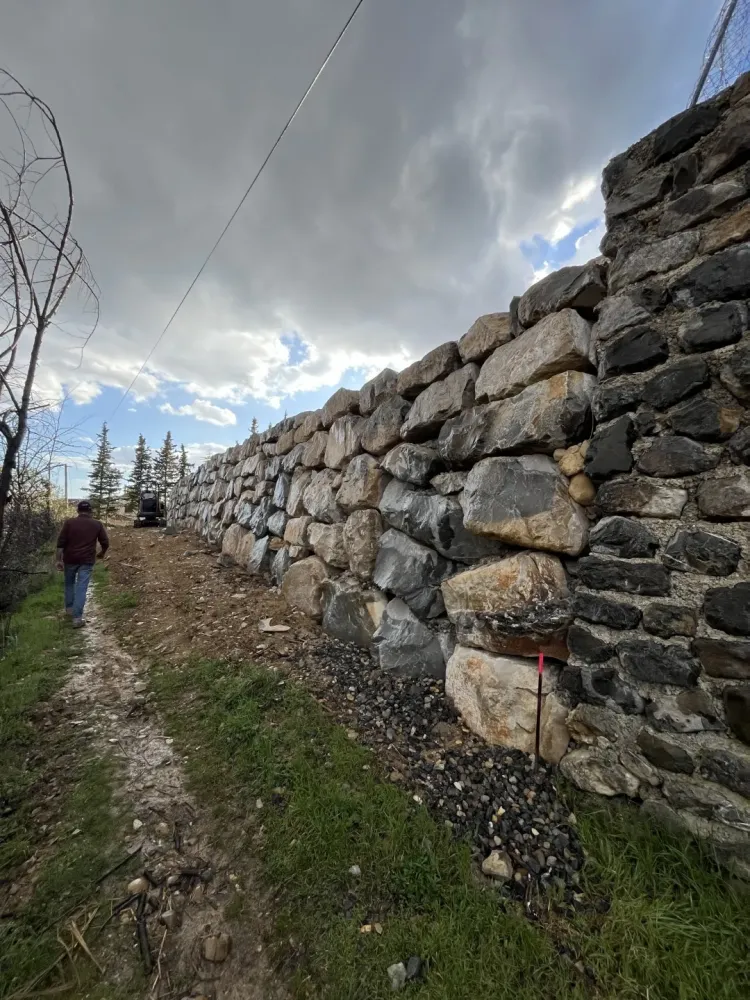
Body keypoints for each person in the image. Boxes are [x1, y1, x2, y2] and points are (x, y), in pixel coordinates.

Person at [56, 500, 109, 627]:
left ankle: (69, 610)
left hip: (70, 559)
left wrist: (58, 560)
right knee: (81, 587)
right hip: (87, 560)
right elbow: (105, 542)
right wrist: (102, 553)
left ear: (78, 511)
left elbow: (61, 542)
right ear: (90, 511)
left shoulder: (69, 523)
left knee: (69, 584)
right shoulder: (97, 524)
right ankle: (77, 619)